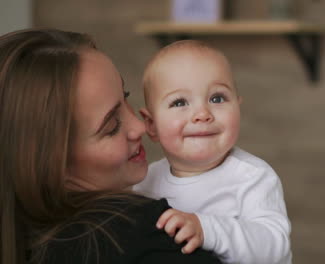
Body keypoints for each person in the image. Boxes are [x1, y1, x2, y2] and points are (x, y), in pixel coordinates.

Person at [0, 29, 221, 264]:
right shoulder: (141, 234)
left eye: (125, 96)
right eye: (112, 125)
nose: (140, 126)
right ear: (50, 164)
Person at [135, 40, 292, 264]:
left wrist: (208, 230)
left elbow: (275, 247)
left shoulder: (252, 177)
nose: (202, 113)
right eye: (179, 102)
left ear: (238, 107)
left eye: (217, 98)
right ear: (151, 125)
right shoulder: (145, 183)